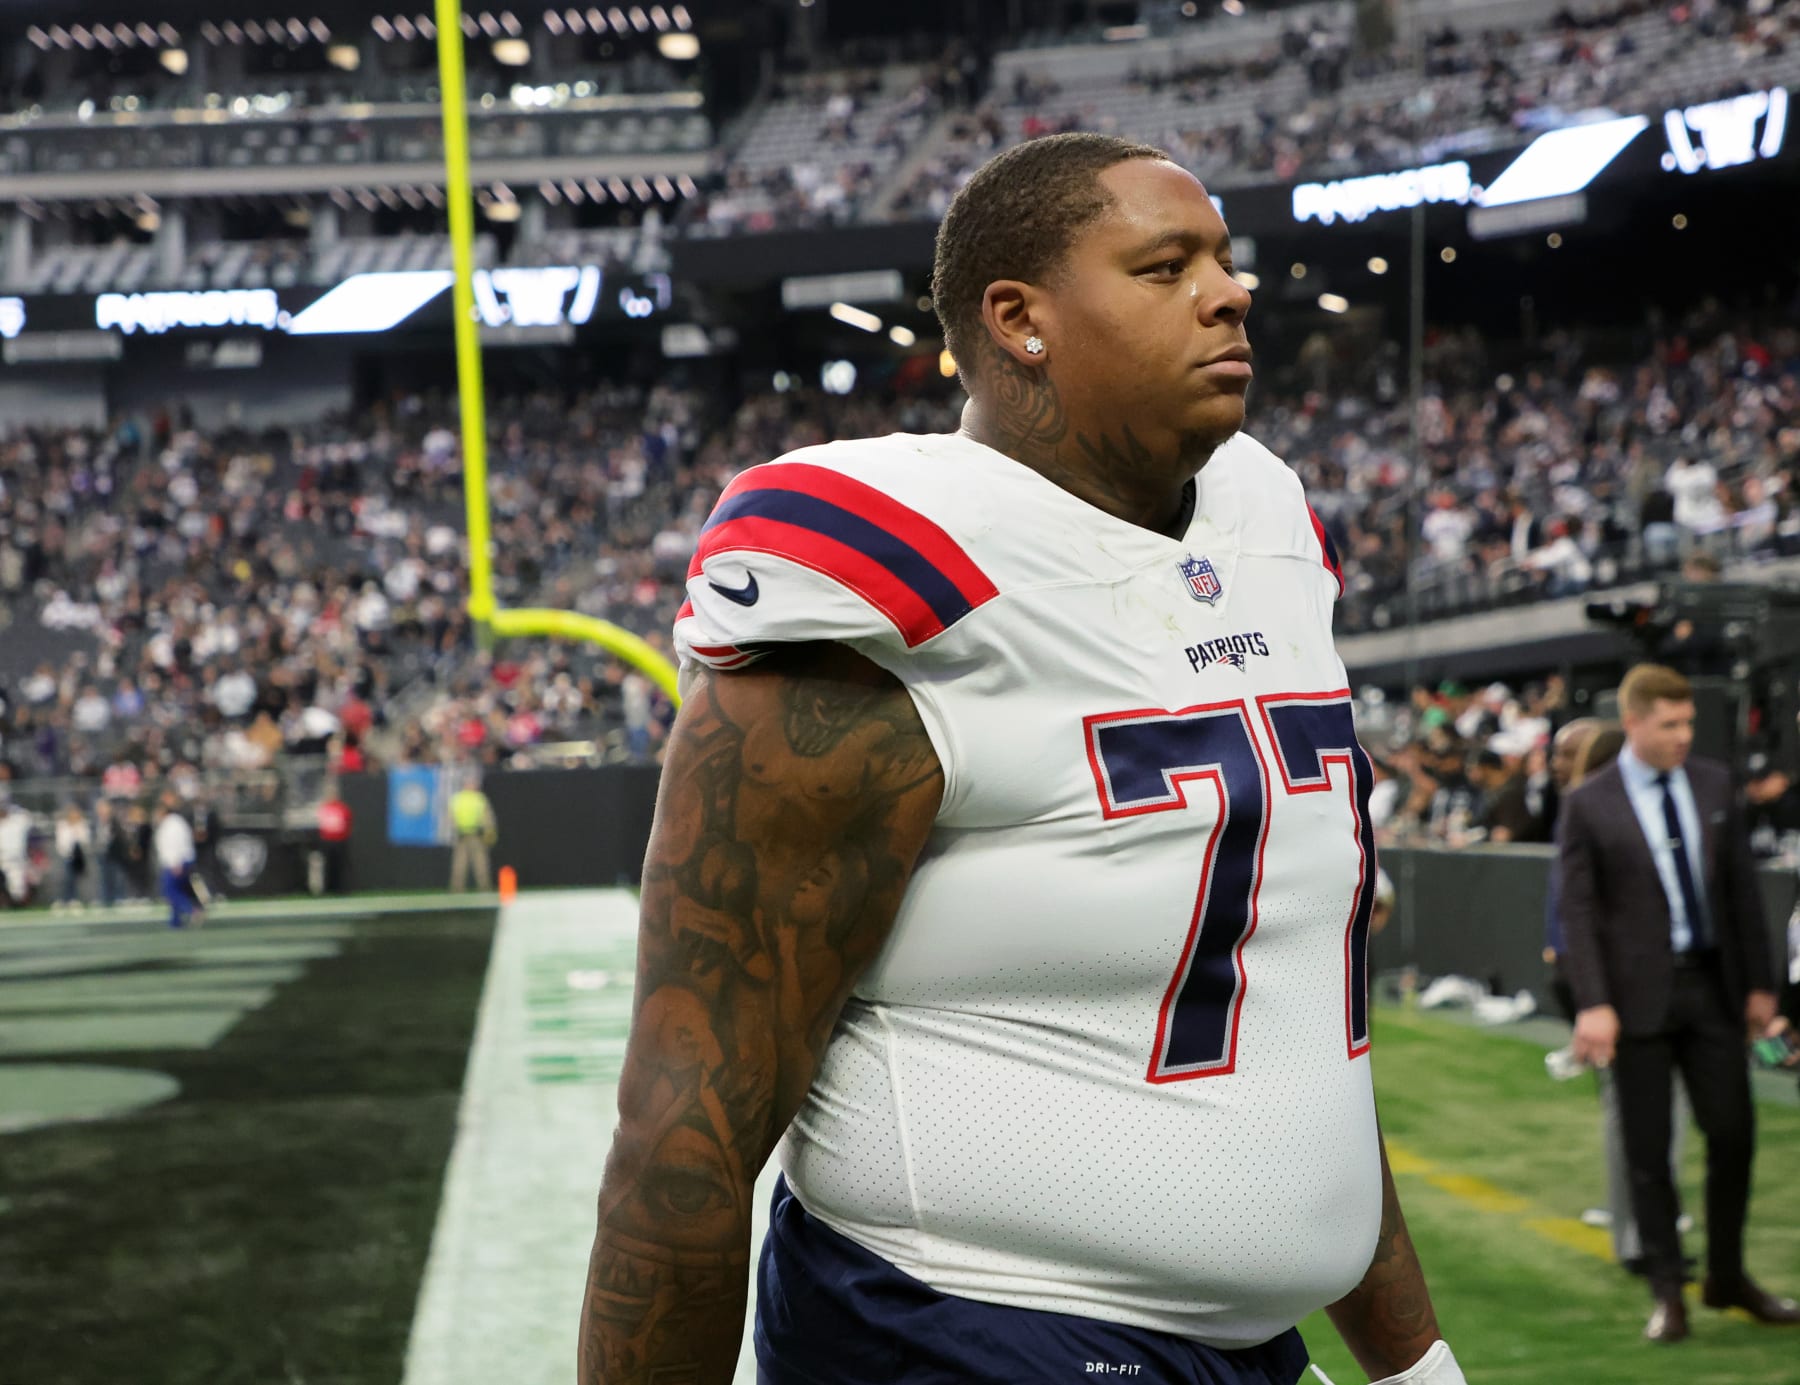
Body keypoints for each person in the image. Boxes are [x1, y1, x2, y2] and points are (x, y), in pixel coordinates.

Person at [581, 133, 1464, 1385]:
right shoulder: (885, 576)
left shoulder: (1266, 517)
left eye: (1224, 258)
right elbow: (687, 1128)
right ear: (1019, 320)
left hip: (1248, 1345)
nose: (1230, 290)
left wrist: (1413, 1358)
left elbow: (1294, 1035)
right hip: (965, 1330)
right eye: (1165, 266)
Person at [1561, 663, 1798, 1342]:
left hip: (1713, 987)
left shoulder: (1714, 782)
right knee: (1646, 1150)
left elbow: (1743, 893)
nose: (1682, 736)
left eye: (1687, 722)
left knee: (1733, 1134)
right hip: (1634, 1000)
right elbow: (1577, 909)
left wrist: (1760, 986)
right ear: (1633, 721)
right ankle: (1669, 1288)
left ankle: (1726, 1272)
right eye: (1669, 724)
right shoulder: (1590, 801)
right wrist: (1593, 1002)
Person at [1544, 717, 1692, 1276]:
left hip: (1601, 980)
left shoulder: (1583, 810)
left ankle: (1641, 1231)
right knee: (1646, 1112)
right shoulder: (1603, 812)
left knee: (1630, 1111)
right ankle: (1644, 1237)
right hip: (1621, 983)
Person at [153, 791, 203, 930]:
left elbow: (175, 844)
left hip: (176, 863)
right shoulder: (174, 822)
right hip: (179, 861)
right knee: (177, 890)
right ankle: (175, 921)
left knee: (170, 891)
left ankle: (192, 910)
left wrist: (176, 862)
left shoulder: (172, 824)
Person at [448, 774, 497, 892]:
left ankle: (456, 890)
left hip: (461, 835)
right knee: (480, 864)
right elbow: (487, 818)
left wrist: (454, 830)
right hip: (476, 835)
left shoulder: (456, 799)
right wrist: (489, 833)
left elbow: (450, 818)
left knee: (459, 864)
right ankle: (484, 889)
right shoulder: (479, 798)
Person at [52, 803, 91, 913]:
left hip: (78, 858)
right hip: (66, 856)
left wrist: (77, 833)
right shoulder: (62, 825)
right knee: (64, 880)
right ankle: (62, 901)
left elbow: (84, 841)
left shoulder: (82, 825)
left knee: (74, 880)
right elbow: (61, 842)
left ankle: (73, 900)